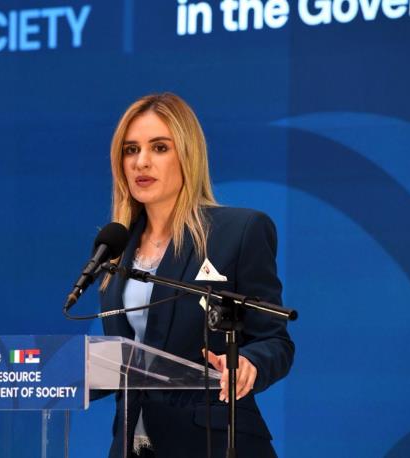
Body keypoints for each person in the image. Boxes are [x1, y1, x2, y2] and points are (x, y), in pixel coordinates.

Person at [98, 93, 294, 458]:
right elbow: (125, 358)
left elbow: (274, 341)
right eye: (130, 150)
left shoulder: (237, 232)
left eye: (159, 148)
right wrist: (53, 375)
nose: (141, 162)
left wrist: (249, 362)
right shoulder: (115, 247)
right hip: (132, 444)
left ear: (188, 154)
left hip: (213, 442)